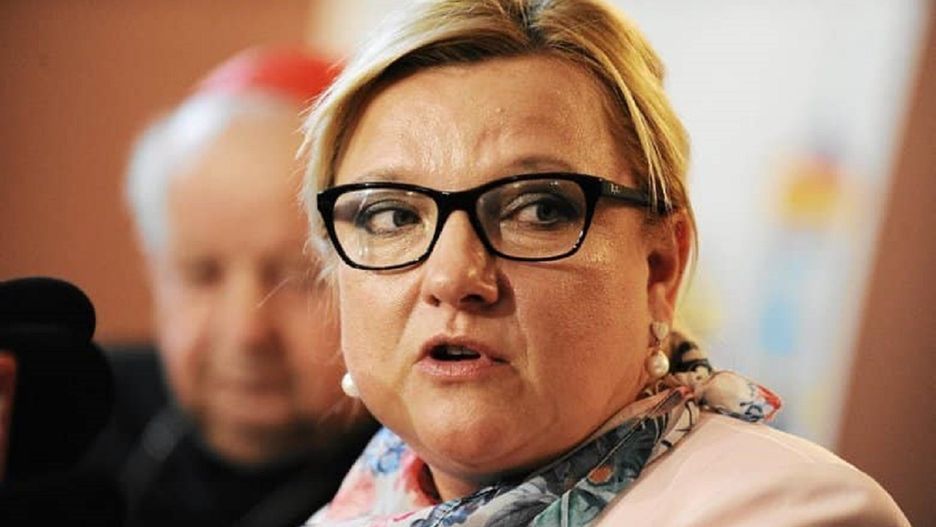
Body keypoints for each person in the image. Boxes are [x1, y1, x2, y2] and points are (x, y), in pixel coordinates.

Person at [298, 1, 910, 525]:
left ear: (660, 267)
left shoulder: (792, 511)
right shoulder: (348, 510)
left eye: (538, 209)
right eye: (392, 216)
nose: (453, 276)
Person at [82, 47, 377, 527]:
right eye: (201, 273)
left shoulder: (438, 476)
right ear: (155, 273)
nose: (246, 333)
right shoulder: (69, 420)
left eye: (298, 277)